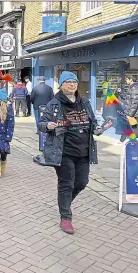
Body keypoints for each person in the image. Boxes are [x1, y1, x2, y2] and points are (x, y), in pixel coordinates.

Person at [38, 71, 101, 234]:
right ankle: (65, 217)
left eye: (74, 82)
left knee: (81, 182)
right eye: (69, 82)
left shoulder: (85, 102)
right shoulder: (54, 104)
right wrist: (47, 126)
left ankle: (64, 202)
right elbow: (41, 123)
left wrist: (98, 129)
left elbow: (93, 122)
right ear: (62, 85)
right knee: (66, 183)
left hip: (84, 152)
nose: (72, 85)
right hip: (63, 152)